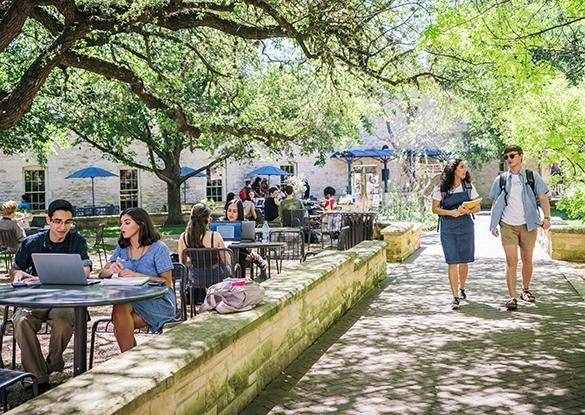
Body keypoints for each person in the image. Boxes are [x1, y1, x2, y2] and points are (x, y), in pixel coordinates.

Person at [11, 199, 92, 392]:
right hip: (35, 298)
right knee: (21, 320)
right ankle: (39, 378)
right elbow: (14, 271)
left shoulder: (77, 241)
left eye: (67, 222)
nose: (62, 227)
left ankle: (52, 365)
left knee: (64, 320)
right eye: (57, 221)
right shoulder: (32, 243)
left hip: (64, 300)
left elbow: (87, 268)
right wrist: (19, 274)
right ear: (48, 220)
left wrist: (83, 270)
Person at [99, 208, 176, 352]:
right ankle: (130, 358)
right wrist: (111, 270)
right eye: (121, 223)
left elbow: (166, 282)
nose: (122, 227)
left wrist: (137, 275)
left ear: (140, 224)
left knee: (120, 321)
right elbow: (101, 274)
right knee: (120, 309)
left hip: (158, 301)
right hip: (131, 299)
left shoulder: (158, 248)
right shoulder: (122, 248)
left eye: (127, 223)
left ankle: (127, 360)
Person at [489, 145, 551, 311]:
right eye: (506, 157)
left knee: (527, 259)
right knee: (511, 261)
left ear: (521, 157)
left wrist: (546, 217)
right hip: (507, 224)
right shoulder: (501, 179)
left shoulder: (532, 176)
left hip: (528, 224)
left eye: (512, 156)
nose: (509, 159)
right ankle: (511, 297)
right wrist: (493, 223)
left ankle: (525, 289)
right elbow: (495, 202)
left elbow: (543, 198)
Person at [431, 159, 480, 310]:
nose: (465, 170)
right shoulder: (441, 189)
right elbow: (435, 209)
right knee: (452, 261)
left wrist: (469, 210)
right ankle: (454, 297)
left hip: (466, 226)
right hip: (448, 228)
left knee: (464, 260)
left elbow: (477, 207)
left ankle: (462, 289)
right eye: (462, 167)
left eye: (465, 167)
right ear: (454, 170)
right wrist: (451, 213)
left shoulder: (469, 187)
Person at [223, 199, 267, 278]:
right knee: (234, 251)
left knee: (242, 252)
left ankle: (254, 259)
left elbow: (251, 241)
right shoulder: (221, 223)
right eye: (229, 211)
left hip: (241, 251)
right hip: (227, 253)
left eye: (234, 211)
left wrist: (253, 251)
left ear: (239, 213)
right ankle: (254, 259)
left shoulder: (244, 224)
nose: (231, 214)